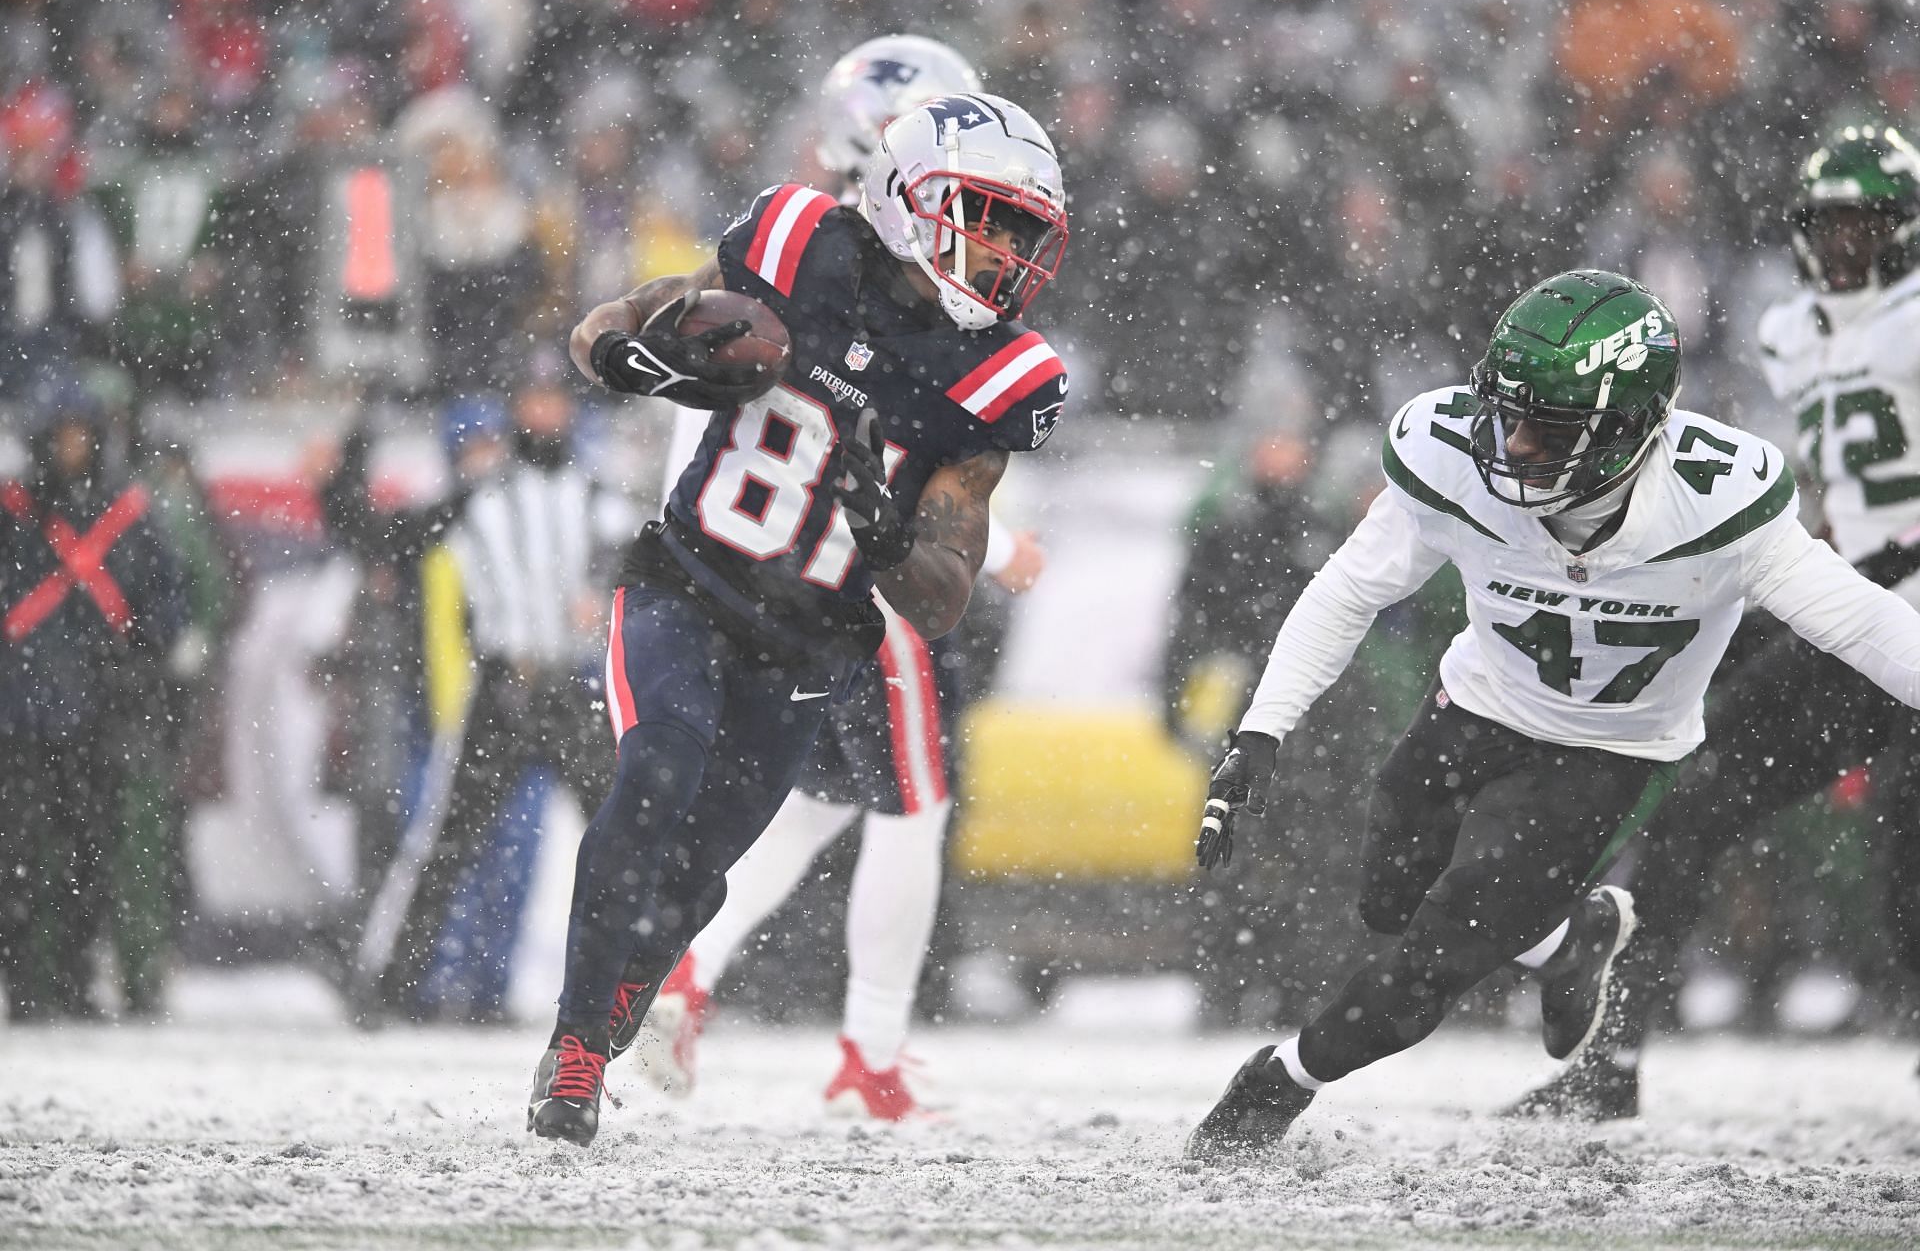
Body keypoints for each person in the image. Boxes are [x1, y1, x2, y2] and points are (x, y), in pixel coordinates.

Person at [1184, 268, 1920, 1159]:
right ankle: (1573, 940)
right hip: (1474, 706)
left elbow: (1863, 623)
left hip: (1606, 750)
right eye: (1506, 411)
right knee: (1388, 897)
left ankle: (1280, 1082)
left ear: (1628, 430)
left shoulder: (1719, 505)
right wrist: (1264, 727)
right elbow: (1349, 589)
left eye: (1547, 426)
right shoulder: (1455, 458)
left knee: (1430, 961)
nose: (1512, 444)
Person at [528, 90, 1071, 1146]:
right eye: (986, 217)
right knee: (656, 770)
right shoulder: (797, 245)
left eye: (1021, 231)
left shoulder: (997, 375)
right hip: (687, 580)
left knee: (698, 875)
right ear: (910, 198)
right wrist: (622, 359)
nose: (1004, 252)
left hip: (810, 642)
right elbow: (620, 317)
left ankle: (631, 994)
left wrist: (888, 537)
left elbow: (948, 589)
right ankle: (578, 1045)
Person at [1511, 124, 1920, 1119]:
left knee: (1909, 858)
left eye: (1864, 230)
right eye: (1829, 229)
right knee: (1693, 798)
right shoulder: (1795, 331)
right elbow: (1836, 481)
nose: (1843, 251)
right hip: (1857, 616)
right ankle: (1611, 1064)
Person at [345, 383, 630, 1022]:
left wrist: (599, 585)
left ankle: (666, 982)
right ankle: (391, 987)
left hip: (567, 689)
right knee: (448, 844)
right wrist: (351, 452)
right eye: (534, 402)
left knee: (624, 838)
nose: (544, 414)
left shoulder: (592, 496)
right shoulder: (478, 498)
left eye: (553, 401)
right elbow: (377, 535)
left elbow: (628, 551)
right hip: (505, 688)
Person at [1, 376, 183, 1021]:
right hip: (21, 712)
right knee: (19, 857)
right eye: (61, 436)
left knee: (88, 857)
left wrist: (138, 656)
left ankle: (76, 980)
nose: (70, 448)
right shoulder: (15, 513)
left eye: (80, 435)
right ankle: (25, 984)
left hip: (97, 711)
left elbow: (166, 596)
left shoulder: (125, 515)